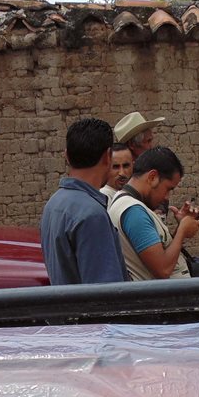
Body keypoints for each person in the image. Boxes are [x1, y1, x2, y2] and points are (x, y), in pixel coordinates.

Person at [39, 117, 127, 285]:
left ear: (66, 156)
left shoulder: (54, 203)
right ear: (108, 156)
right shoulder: (91, 214)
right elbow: (106, 293)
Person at [107, 146, 199, 280]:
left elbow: (159, 254)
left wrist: (180, 229)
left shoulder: (130, 205)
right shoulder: (134, 212)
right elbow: (163, 270)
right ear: (152, 177)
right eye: (168, 189)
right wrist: (182, 231)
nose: (166, 197)